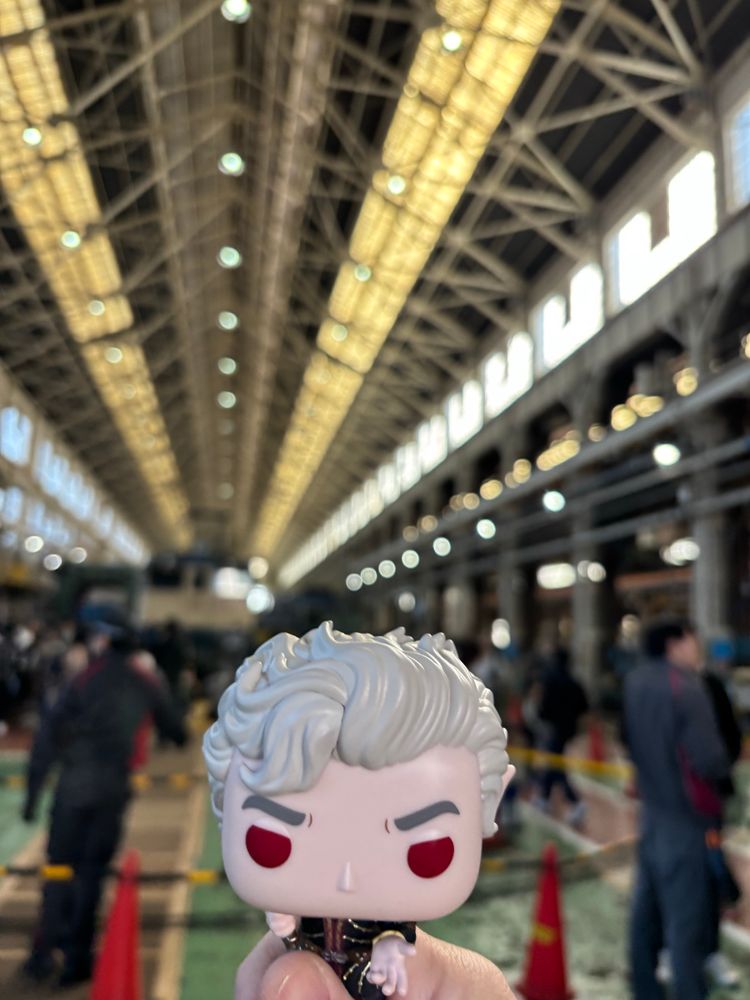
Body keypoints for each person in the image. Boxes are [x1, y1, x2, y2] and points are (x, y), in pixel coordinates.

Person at [203, 623, 515, 999]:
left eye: (427, 852)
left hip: (369, 973)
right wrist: (287, 927)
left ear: (491, 802)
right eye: (270, 843)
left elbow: (398, 931)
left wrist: (391, 946)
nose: (347, 878)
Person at [20, 623, 186, 987]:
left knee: (59, 870)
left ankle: (44, 953)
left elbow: (48, 736)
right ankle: (77, 960)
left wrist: (32, 795)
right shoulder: (144, 680)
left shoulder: (84, 678)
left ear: (104, 643)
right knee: (92, 875)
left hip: (72, 788)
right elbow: (175, 728)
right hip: (112, 790)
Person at [623, 620, 731, 1000]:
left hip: (651, 815)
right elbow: (709, 759)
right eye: (693, 640)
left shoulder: (635, 682)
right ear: (675, 643)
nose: (697, 648)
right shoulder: (686, 686)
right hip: (686, 819)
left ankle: (645, 989)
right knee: (686, 924)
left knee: (645, 915)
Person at [535, 647, 589, 826]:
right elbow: (584, 706)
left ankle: (575, 801)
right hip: (568, 729)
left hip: (554, 728)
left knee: (556, 765)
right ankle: (544, 797)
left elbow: (543, 708)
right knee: (555, 761)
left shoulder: (550, 681)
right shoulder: (573, 682)